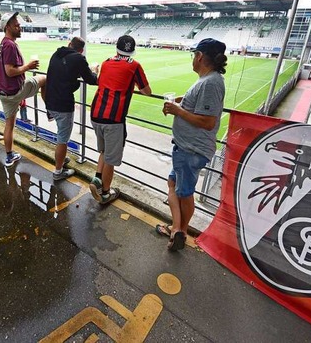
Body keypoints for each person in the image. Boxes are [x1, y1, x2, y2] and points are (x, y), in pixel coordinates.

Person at [158, 38, 227, 251]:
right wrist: (181, 101)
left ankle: (180, 231)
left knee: (185, 192)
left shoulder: (211, 83)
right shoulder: (207, 80)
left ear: (199, 56)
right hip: (185, 147)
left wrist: (178, 110)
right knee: (173, 185)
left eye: (193, 55)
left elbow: (208, 122)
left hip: (191, 149)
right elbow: (199, 107)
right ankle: (177, 228)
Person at [89, 35, 151, 204]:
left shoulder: (106, 62)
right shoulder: (134, 66)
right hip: (114, 119)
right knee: (111, 159)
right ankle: (106, 193)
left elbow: (101, 82)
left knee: (103, 150)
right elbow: (147, 91)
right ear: (132, 51)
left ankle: (97, 179)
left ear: (116, 48)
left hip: (95, 114)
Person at [0, 12, 47, 167]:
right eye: (16, 24)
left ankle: (9, 156)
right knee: (46, 79)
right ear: (8, 27)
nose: (20, 27)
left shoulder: (3, 44)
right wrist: (28, 67)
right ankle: (50, 110)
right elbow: (10, 71)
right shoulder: (10, 45)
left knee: (9, 125)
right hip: (16, 90)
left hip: (4, 93)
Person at [46, 36, 98, 181]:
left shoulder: (56, 54)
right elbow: (92, 80)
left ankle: (61, 159)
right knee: (63, 139)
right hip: (63, 104)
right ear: (81, 50)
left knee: (60, 135)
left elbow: (60, 77)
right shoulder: (79, 58)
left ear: (69, 44)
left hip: (50, 101)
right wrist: (94, 70)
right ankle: (58, 172)